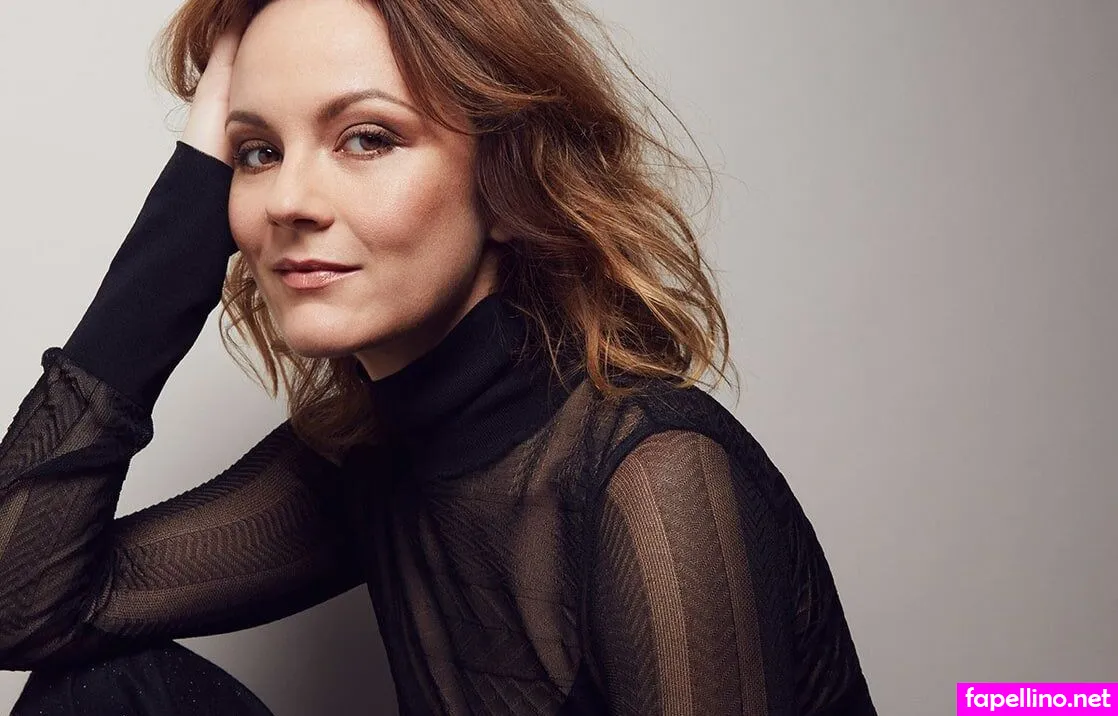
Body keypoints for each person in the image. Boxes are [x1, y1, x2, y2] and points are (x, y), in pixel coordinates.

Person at [0, 0, 877, 713]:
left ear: (509, 177)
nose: (288, 200)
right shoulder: (367, 457)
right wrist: (195, 194)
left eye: (367, 138)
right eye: (257, 153)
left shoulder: (653, 471)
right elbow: (21, 604)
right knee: (105, 694)